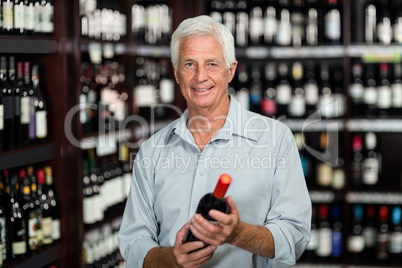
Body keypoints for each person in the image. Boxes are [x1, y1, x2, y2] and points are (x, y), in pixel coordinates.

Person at [118, 15, 311, 268]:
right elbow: (134, 244)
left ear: (230, 71)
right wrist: (171, 260)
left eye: (211, 64)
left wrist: (238, 234)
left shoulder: (275, 139)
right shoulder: (151, 152)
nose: (200, 76)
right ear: (176, 74)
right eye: (189, 64)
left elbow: (295, 237)